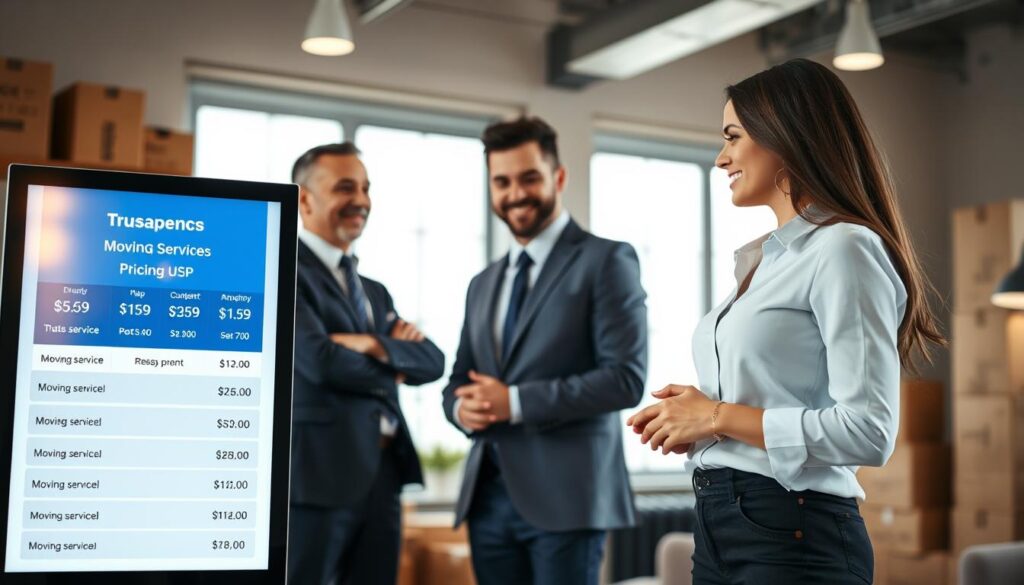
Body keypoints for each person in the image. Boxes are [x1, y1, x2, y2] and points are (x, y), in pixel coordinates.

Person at [627, 59, 945, 585]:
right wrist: (699, 422)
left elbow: (869, 431)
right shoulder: (768, 260)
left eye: (733, 136)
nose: (720, 157)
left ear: (787, 136)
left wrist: (717, 417)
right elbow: (768, 406)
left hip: (792, 530)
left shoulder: (844, 248)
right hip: (720, 522)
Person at [441, 116, 648, 585]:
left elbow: (624, 379)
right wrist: (461, 408)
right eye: (502, 181)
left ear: (558, 176)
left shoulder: (607, 260)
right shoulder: (483, 283)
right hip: (488, 498)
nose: (515, 193)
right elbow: (459, 378)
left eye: (529, 177)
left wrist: (512, 402)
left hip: (568, 500)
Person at [288, 142, 445, 585]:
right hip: (319, 477)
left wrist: (369, 345)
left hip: (383, 475)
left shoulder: (372, 291)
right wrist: (394, 360)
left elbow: (432, 361)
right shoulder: (284, 270)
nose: (361, 200)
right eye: (344, 188)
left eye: (365, 188)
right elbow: (319, 361)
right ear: (304, 199)